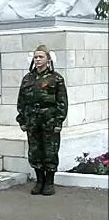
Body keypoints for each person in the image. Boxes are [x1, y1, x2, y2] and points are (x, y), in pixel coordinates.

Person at [17, 45, 68, 196]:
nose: (38, 60)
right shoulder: (28, 78)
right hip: (32, 120)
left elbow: (62, 102)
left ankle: (49, 182)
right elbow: (21, 101)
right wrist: (22, 120)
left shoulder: (56, 78)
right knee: (35, 151)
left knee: (50, 151)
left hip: (49, 120)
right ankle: (39, 181)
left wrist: (59, 121)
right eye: (35, 57)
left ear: (48, 59)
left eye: (41, 57)